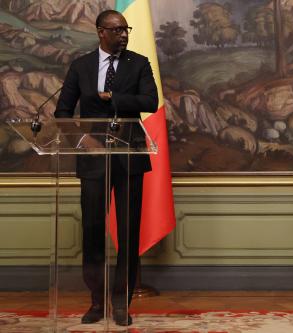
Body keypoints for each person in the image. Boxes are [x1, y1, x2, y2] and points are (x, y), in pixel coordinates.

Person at [54, 10, 158, 326]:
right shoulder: (81, 66)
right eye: (117, 30)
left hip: (130, 156)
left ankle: (122, 302)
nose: (124, 35)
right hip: (93, 159)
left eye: (126, 29)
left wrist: (113, 96)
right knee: (93, 232)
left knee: (128, 232)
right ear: (101, 32)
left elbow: (150, 101)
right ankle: (97, 302)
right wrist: (85, 141)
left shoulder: (138, 63)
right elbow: (62, 113)